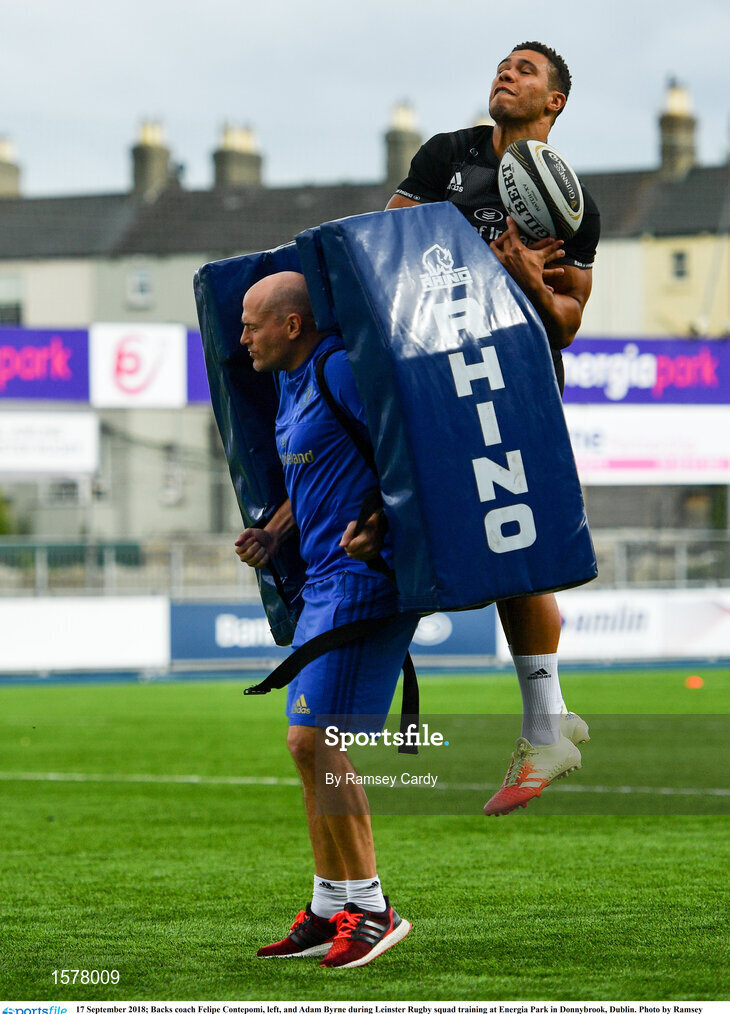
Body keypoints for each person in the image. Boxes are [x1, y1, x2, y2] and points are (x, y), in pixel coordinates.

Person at [386, 41, 599, 816]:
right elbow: (389, 253)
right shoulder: (447, 155)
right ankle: (544, 719)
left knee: (521, 552)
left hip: (520, 380)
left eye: (528, 70)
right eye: (504, 65)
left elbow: (569, 321)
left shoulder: (572, 201)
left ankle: (545, 721)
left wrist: (521, 279)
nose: (507, 73)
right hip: (439, 374)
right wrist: (478, 260)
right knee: (445, 534)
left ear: (555, 102)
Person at [235, 271, 418, 968]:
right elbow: (317, 473)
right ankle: (328, 906)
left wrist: (376, 524)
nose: (242, 335)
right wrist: (277, 531)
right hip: (322, 584)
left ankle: (372, 910)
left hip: (365, 580)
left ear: (292, 324)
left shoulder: (340, 366)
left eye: (253, 323)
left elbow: (406, 452)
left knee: (316, 742)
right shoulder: (291, 379)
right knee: (306, 746)